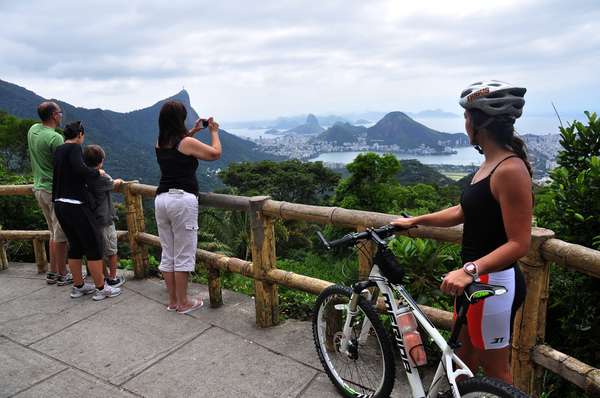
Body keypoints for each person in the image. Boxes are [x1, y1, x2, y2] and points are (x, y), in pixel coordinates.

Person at [392, 80, 532, 384]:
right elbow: (462, 212)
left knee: (497, 373)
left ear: (478, 122)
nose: (465, 123)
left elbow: (520, 243)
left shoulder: (510, 169)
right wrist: (415, 220)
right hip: (471, 281)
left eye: (467, 117)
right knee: (462, 361)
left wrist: (470, 269)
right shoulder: (488, 164)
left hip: (494, 285)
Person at [155, 100, 221, 314]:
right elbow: (214, 153)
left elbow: (180, 147)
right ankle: (184, 303)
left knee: (168, 252)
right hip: (181, 200)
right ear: (179, 119)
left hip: (162, 199)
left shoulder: (160, 141)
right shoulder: (184, 142)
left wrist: (193, 131)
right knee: (183, 253)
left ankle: (173, 301)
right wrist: (214, 132)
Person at [52, 121, 121, 301]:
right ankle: (101, 288)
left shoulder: (59, 150)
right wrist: (97, 173)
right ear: (80, 134)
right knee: (93, 247)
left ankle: (78, 286)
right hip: (75, 204)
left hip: (59, 203)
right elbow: (80, 169)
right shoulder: (74, 148)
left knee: (75, 246)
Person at [27, 101, 70, 285]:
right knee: (60, 235)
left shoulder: (33, 130)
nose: (61, 115)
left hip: (38, 188)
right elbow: (66, 168)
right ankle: (63, 274)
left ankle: (53, 272)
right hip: (54, 190)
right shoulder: (55, 138)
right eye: (59, 112)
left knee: (53, 232)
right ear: (54, 115)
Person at [83, 144, 125, 288]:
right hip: (105, 219)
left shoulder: (84, 176)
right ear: (101, 161)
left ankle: (105, 276)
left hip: (91, 219)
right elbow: (113, 184)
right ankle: (112, 278)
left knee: (97, 252)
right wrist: (119, 181)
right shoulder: (103, 178)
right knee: (112, 251)